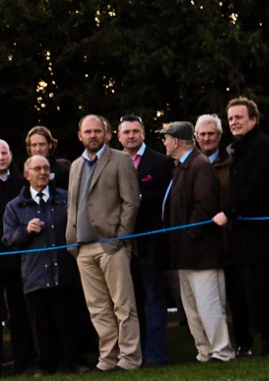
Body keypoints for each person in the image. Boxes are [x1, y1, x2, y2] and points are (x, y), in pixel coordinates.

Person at [212, 97, 269, 357]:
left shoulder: (261, 146)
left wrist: (228, 210)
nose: (234, 122)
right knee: (254, 292)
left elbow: (256, 188)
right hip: (247, 234)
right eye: (231, 118)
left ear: (253, 120)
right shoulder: (239, 148)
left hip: (264, 235)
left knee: (266, 291)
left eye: (239, 117)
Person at [66, 114, 142, 371]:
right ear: (80, 136)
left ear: (108, 134)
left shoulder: (121, 160)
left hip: (111, 245)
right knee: (98, 308)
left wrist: (120, 236)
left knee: (123, 304)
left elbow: (131, 202)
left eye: (98, 131)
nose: (93, 135)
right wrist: (71, 240)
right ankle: (108, 359)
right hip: (82, 248)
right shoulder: (75, 165)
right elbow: (73, 204)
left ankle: (130, 358)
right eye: (88, 132)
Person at [2, 155, 88, 376]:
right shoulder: (15, 206)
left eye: (46, 169)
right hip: (35, 274)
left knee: (70, 320)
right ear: (26, 174)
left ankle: (76, 361)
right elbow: (9, 238)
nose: (42, 173)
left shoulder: (65, 198)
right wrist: (25, 231)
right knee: (41, 324)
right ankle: (46, 365)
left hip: (65, 271)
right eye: (37, 168)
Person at [160, 121, 234, 363]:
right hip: (184, 252)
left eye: (166, 138)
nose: (164, 143)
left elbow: (204, 206)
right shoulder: (181, 166)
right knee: (191, 308)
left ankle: (221, 351)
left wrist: (188, 235)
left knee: (208, 305)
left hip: (201, 251)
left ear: (177, 141)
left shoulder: (199, 165)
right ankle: (204, 351)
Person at [195, 113, 254, 357]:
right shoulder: (189, 163)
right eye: (203, 134)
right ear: (196, 137)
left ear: (220, 137)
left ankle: (244, 342)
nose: (207, 138)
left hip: (229, 236)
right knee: (207, 297)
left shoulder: (231, 161)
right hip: (200, 239)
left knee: (237, 293)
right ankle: (209, 345)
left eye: (212, 134)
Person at [118, 114, 173, 367]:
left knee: (153, 298)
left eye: (135, 131)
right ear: (118, 136)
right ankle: (134, 352)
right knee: (129, 301)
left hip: (150, 242)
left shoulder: (160, 163)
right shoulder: (112, 162)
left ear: (143, 133)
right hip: (120, 244)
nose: (131, 135)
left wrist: (137, 196)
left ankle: (156, 354)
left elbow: (166, 199)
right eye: (126, 132)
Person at [0, 140, 36, 374]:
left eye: (4, 153)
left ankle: (25, 361)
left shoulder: (23, 184)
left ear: (11, 155)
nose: (1, 157)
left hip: (17, 257)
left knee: (21, 311)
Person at [25, 126, 71, 190]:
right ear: (29, 148)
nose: (38, 149)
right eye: (34, 145)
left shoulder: (63, 170)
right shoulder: (24, 173)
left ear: (50, 145)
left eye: (41, 144)